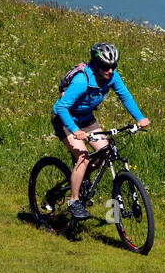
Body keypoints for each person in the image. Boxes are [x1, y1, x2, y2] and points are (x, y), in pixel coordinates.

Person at [51, 42, 149, 220]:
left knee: (104, 152)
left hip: (86, 118)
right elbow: (61, 107)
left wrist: (139, 117)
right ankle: (73, 201)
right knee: (83, 157)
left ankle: (80, 179)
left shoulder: (112, 77)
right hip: (64, 120)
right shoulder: (82, 80)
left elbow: (125, 96)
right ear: (96, 64)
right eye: (106, 66)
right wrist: (75, 130)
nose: (110, 70)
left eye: (113, 66)